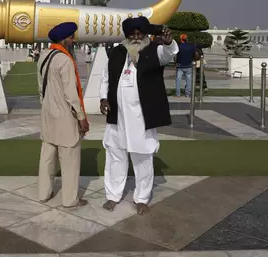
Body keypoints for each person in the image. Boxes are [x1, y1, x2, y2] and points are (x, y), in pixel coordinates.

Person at [99, 17, 178, 215]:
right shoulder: (117, 52)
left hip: (142, 116)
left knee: (142, 158)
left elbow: (168, 55)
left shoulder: (154, 50)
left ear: (144, 34)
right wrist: (103, 98)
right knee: (115, 155)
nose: (135, 37)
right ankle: (113, 195)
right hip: (118, 116)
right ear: (126, 35)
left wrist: (169, 43)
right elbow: (106, 78)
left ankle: (142, 198)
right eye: (132, 34)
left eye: (139, 33)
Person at [37, 22, 89, 208]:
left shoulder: (43, 56)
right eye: (72, 37)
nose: (74, 41)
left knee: (47, 157)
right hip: (65, 116)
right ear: (64, 39)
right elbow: (71, 94)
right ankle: (70, 199)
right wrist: (81, 117)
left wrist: (48, 106)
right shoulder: (65, 61)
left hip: (48, 113)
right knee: (70, 160)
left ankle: (44, 194)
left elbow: (40, 90)